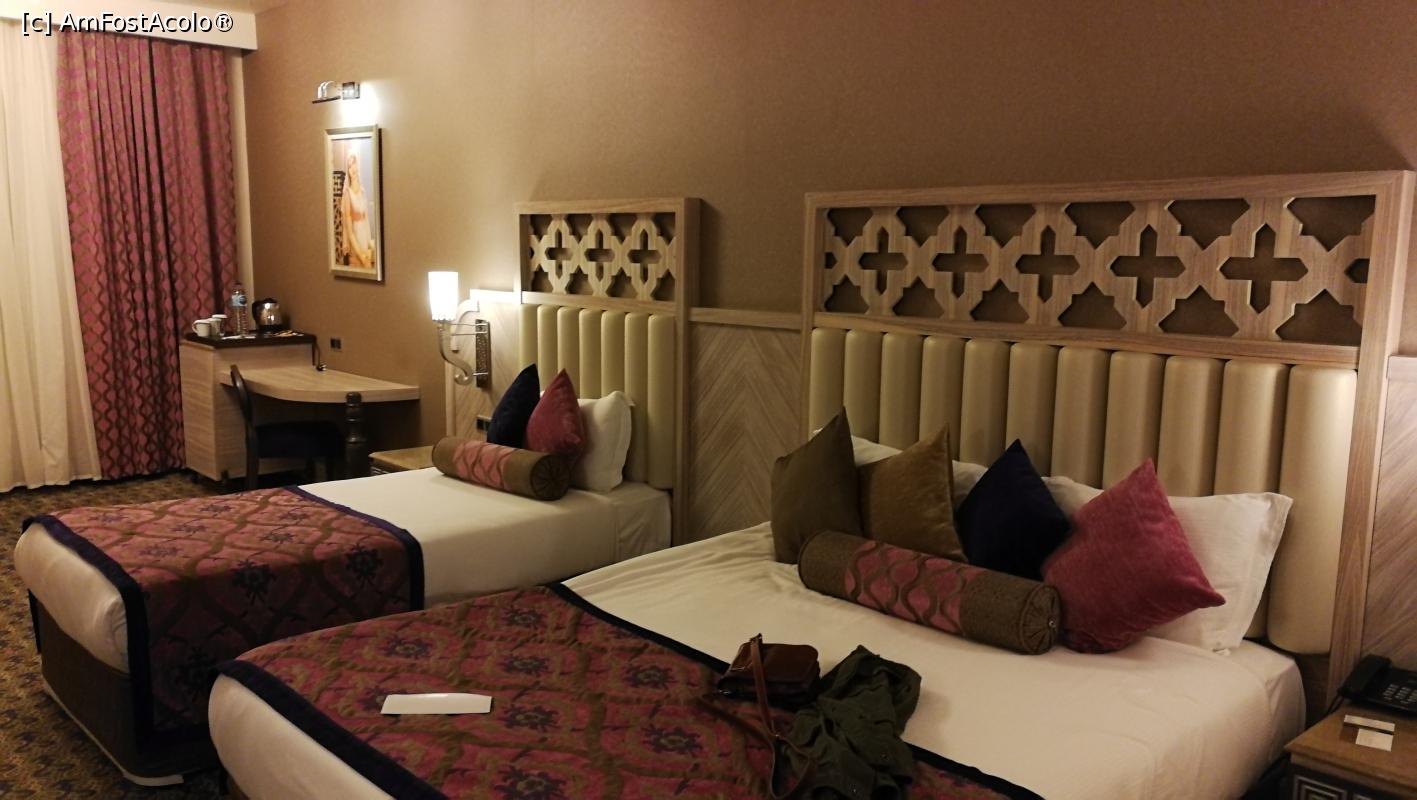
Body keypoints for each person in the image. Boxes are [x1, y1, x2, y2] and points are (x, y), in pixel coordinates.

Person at [339, 150, 375, 268]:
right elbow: (350, 232)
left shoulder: (363, 192)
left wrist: (369, 247)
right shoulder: (347, 194)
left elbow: (366, 221)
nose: (353, 169)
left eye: (354, 164)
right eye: (349, 166)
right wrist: (361, 256)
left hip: (364, 239)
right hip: (356, 244)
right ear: (348, 170)